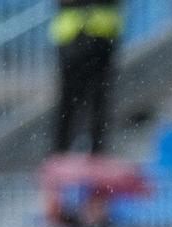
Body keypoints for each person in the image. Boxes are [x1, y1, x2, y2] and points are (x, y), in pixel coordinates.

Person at [51, 0, 122, 155]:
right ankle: (59, 153)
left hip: (102, 33)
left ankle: (96, 153)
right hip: (71, 35)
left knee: (99, 98)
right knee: (69, 99)